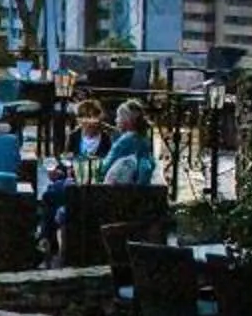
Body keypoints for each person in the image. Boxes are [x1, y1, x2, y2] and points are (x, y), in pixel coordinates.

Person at [34, 100, 111, 260]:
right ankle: (49, 241)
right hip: (72, 179)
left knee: (50, 195)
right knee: (52, 192)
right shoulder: (75, 136)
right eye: (84, 118)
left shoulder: (106, 139)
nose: (88, 122)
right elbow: (65, 160)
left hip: (91, 182)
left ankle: (46, 239)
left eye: (92, 117)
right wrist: (58, 172)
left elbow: (105, 164)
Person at [100, 99, 159, 188]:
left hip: (120, 188)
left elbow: (105, 166)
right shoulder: (143, 138)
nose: (116, 120)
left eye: (118, 117)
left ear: (127, 120)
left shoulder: (125, 141)